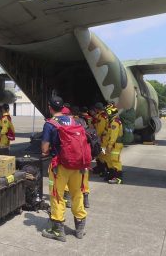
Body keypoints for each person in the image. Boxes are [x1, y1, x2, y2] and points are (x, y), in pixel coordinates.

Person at [41, 96, 88, 242]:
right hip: (78, 165)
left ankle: (58, 231)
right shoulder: (75, 121)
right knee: (77, 194)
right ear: (63, 108)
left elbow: (44, 149)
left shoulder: (50, 124)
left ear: (50, 107)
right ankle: (80, 229)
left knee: (57, 195)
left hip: (60, 166)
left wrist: (47, 151)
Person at [104, 104, 124, 184]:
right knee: (109, 160)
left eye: (107, 112)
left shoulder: (114, 123)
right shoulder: (112, 121)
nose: (106, 113)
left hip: (115, 144)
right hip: (112, 144)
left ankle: (118, 178)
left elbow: (114, 136)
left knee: (115, 161)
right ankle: (112, 175)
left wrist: (109, 145)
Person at [92, 102, 109, 175]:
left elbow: (100, 128)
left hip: (103, 138)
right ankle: (100, 168)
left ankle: (104, 169)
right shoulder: (100, 116)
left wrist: (95, 135)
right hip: (101, 138)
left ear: (97, 109)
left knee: (102, 153)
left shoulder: (102, 116)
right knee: (99, 154)